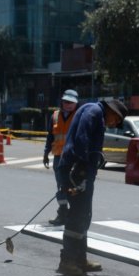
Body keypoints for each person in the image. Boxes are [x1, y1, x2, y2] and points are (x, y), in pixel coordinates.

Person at [57, 97, 128, 276]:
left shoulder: (93, 112)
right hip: (78, 169)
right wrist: (83, 165)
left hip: (81, 170)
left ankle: (80, 259)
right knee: (77, 215)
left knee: (84, 215)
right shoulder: (94, 111)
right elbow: (82, 137)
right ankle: (68, 261)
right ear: (112, 111)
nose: (115, 124)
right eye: (117, 120)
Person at [42, 89, 79, 226]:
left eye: (71, 102)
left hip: (73, 157)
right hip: (58, 157)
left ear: (76, 103)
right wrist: (46, 153)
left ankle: (75, 214)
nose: (68, 105)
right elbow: (50, 136)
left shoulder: (79, 115)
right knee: (61, 186)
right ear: (62, 102)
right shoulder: (55, 116)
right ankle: (63, 213)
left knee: (74, 186)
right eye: (66, 102)